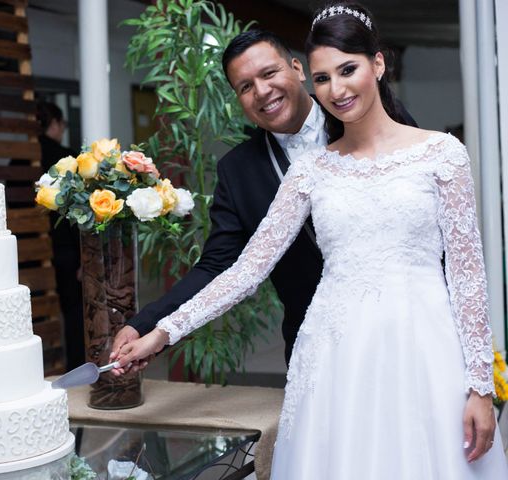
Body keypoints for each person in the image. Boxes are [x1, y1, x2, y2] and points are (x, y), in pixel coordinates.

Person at [114, 3, 508, 478]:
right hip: (334, 354)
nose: (336, 89)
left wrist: (480, 386)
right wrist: (162, 331)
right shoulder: (309, 171)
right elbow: (243, 270)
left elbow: (467, 277)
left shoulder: (441, 154)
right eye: (324, 79)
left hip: (423, 348)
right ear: (310, 81)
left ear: (377, 64)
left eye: (348, 70)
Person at [110, 28, 416, 369]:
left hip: (401, 326)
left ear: (298, 70)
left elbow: (422, 220)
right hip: (314, 345)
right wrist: (147, 326)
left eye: (269, 73)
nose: (262, 91)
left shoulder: (365, 119)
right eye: (245, 87)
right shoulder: (238, 171)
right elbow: (218, 266)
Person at [36, 101, 85, 371]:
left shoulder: (19, 158)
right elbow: (76, 212)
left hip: (35, 252)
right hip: (65, 249)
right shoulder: (65, 159)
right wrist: (83, 258)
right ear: (53, 124)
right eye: (62, 125)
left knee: (39, 312)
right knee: (73, 312)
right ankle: (76, 365)